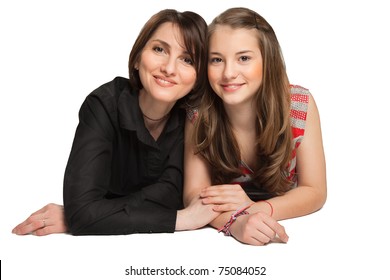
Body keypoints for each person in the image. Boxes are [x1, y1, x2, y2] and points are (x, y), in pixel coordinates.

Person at [12, 9, 217, 236]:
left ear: (198, 76)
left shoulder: (194, 119)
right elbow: (81, 214)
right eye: (159, 49)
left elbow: (169, 194)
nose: (169, 68)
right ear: (138, 57)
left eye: (187, 60)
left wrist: (99, 214)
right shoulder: (103, 105)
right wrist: (181, 219)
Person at [183, 7, 326, 246]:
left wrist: (256, 210)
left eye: (244, 58)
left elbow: (315, 190)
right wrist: (235, 223)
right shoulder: (199, 113)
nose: (229, 73)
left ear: (267, 61)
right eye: (216, 60)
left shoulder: (299, 105)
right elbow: (193, 195)